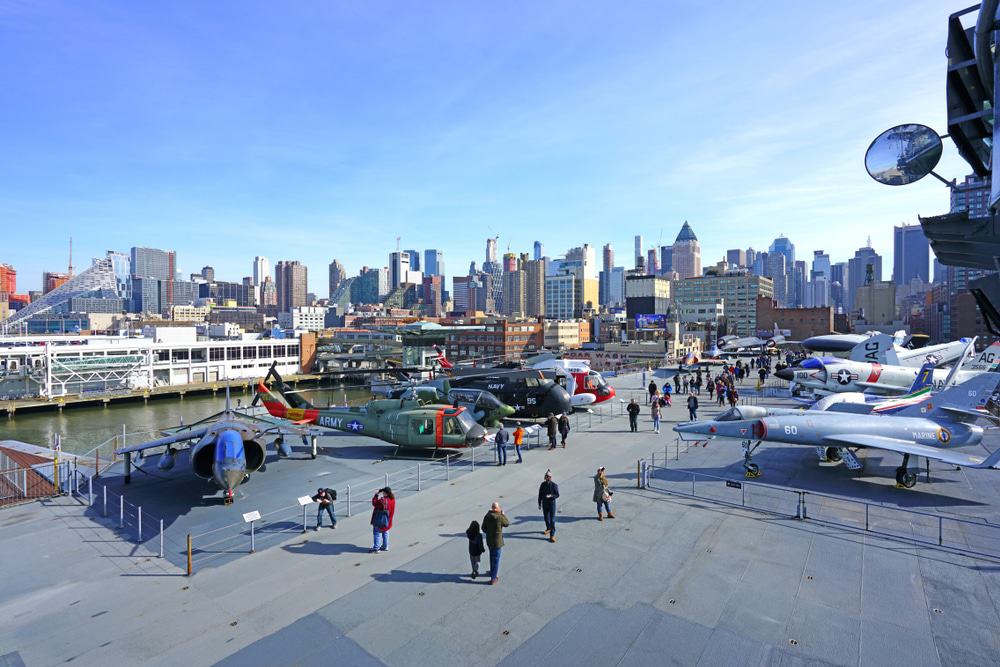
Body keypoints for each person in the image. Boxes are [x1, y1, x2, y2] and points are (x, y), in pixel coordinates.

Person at [481, 501, 509, 585]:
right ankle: (493, 578)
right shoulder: (500, 517)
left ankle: (492, 571)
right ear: (497, 508)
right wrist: (503, 514)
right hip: (497, 542)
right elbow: (507, 523)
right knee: (496, 559)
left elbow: (483, 528)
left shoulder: (487, 516)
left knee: (491, 556)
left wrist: (489, 533)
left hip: (489, 540)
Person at [370, 487, 395, 553]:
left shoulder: (382, 501)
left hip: (379, 520)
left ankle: (376, 548)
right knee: (385, 532)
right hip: (388, 520)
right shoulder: (392, 500)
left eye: (383, 492)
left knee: (377, 533)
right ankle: (385, 546)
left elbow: (374, 503)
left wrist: (376, 494)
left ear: (385, 493)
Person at [537, 470, 560, 543]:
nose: (547, 478)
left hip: (551, 504)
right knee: (546, 518)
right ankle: (548, 528)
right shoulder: (543, 484)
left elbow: (557, 495)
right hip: (544, 504)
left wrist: (551, 495)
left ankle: (552, 535)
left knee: (552, 520)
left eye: (548, 477)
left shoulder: (554, 485)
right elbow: (540, 494)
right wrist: (539, 503)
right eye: (546, 476)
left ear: (550, 477)